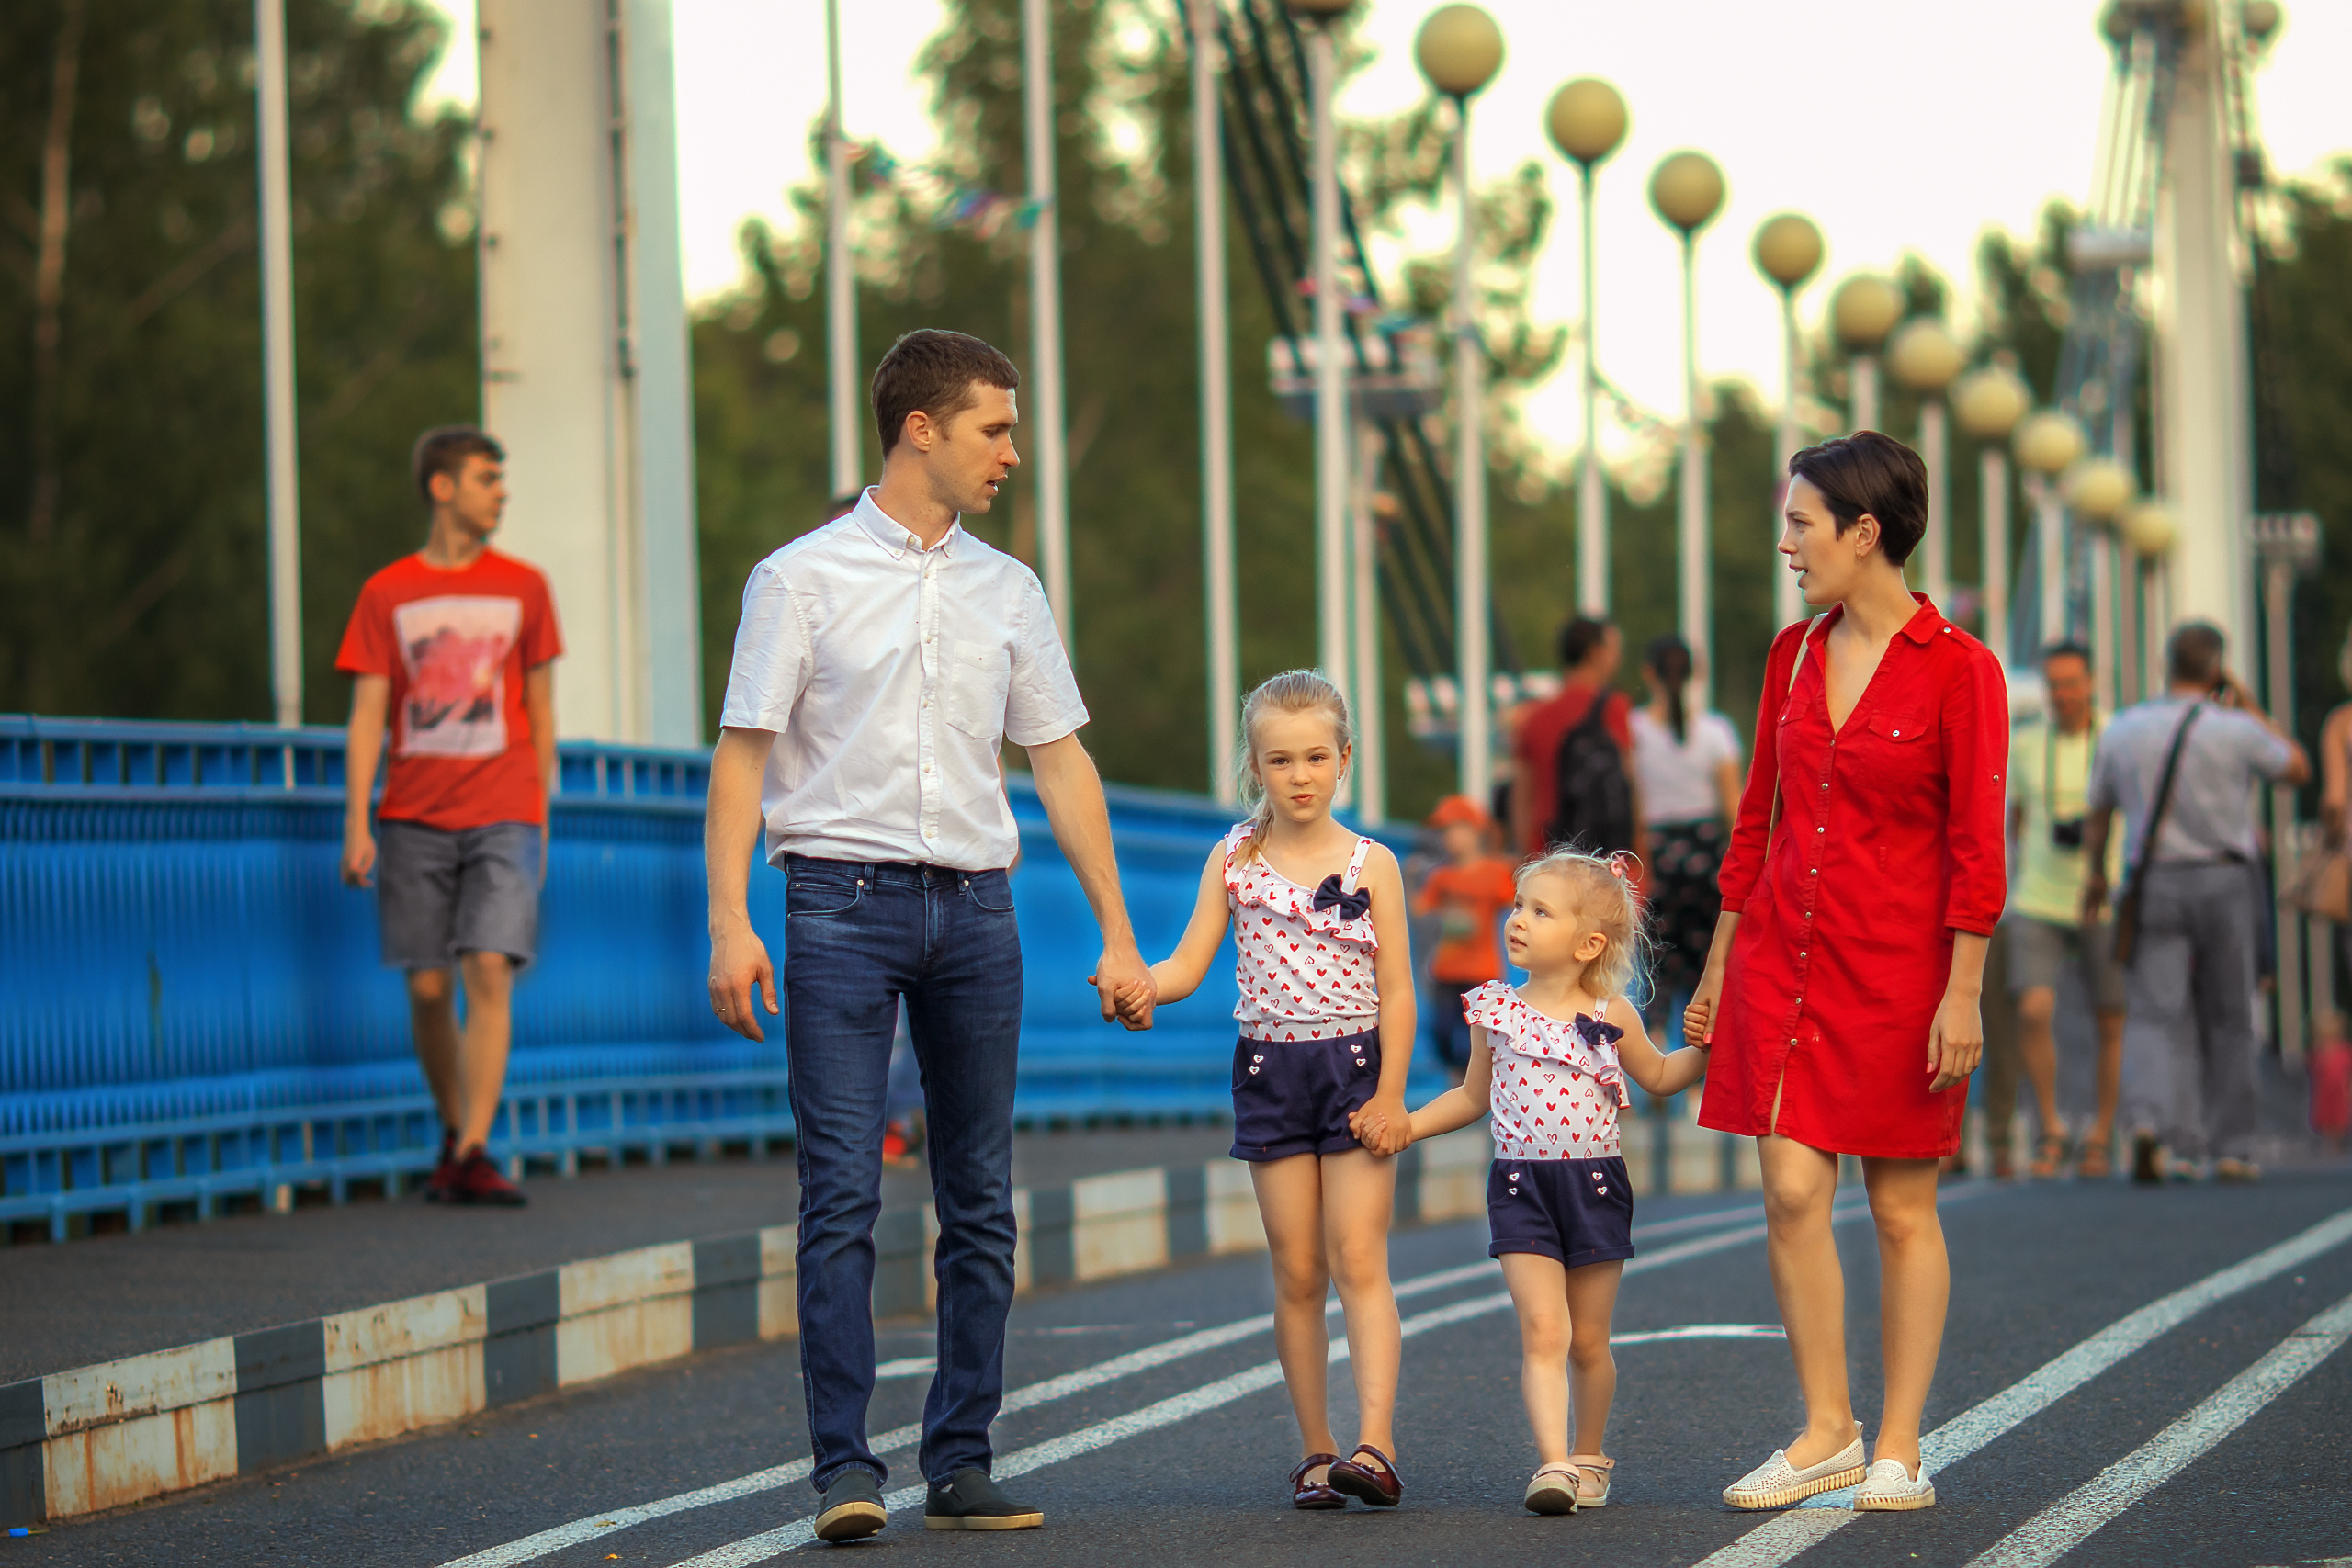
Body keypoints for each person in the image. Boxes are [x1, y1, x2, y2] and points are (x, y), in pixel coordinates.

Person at [703, 329, 1156, 1541]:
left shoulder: (1009, 588)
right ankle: (845, 1470)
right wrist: (729, 917)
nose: (1013, 451)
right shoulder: (796, 577)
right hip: (835, 904)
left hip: (976, 909)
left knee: (981, 1197)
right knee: (842, 1191)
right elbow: (743, 752)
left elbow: (1058, 759)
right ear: (922, 428)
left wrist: (1119, 929)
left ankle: (961, 1459)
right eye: (994, 428)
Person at [1686, 430, 2007, 1513]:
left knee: (1903, 1208)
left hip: (1901, 971)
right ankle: (1827, 1424)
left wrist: (1962, 988)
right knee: (1787, 1189)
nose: (1785, 543)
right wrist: (1719, 965)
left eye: (1799, 523)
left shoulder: (1961, 669)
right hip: (1782, 954)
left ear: (1864, 533)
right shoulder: (1792, 656)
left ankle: (1900, 1443)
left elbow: (1976, 845)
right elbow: (1753, 821)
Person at [1142, 671, 1415, 1511]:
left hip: (1355, 1069)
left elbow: (1399, 989)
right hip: (1269, 1071)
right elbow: (1189, 963)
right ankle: (1315, 1450)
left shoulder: (1376, 865)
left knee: (1358, 1257)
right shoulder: (1233, 857)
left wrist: (1394, 1094)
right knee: (1298, 1270)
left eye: (1316, 757)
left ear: (1345, 760)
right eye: (1280, 759)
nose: (1300, 775)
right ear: (1254, 765)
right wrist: (1140, 985)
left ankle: (1375, 1444)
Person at [1377, 849, 1709, 1515]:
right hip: (1520, 1186)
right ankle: (1552, 1462)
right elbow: (1472, 1098)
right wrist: (1408, 1124)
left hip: (1594, 1187)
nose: (1517, 920)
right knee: (1543, 1330)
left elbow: (1664, 1077)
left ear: (1588, 943)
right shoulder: (1493, 1010)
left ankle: (1589, 1452)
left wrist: (1710, 1046)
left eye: (1540, 910)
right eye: (1519, 906)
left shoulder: (1615, 1014)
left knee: (1588, 1339)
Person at [337, 426, 560, 1209]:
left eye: (501, 479)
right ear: (441, 487)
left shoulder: (526, 587)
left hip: (502, 808)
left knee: (488, 966)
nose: (500, 491)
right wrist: (356, 822)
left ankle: (473, 1147)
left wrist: (539, 814)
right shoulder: (386, 592)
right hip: (411, 814)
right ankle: (454, 1131)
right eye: (484, 479)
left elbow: (540, 706)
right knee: (429, 989)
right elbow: (369, 714)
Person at [2081, 622, 2309, 1185]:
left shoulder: (2125, 729)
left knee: (2157, 1014)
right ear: (2215, 668)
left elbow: (2098, 811)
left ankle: (2155, 1129)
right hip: (2225, 880)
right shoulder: (2234, 729)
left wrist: (2093, 876)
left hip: (2152, 880)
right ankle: (2231, 1147)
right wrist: (2250, 705)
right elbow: (2297, 768)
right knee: (2229, 1014)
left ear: (2167, 664)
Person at [1998, 642, 2126, 1180]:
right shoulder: (2026, 744)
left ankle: (2101, 1131)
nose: (2063, 695)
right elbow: (2016, 820)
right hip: (2039, 896)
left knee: (2111, 1017)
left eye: (2072, 683)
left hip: (2105, 893)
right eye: (2054, 685)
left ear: (2091, 683)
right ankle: (2050, 1126)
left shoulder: (2115, 738)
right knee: (2031, 1008)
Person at [1629, 632, 1742, 1034]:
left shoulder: (1634, 731)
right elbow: (1734, 809)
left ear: (1648, 674)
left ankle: (1655, 1040)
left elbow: (1635, 805)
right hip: (1706, 853)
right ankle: (1698, 1069)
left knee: (1657, 956)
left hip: (1657, 851)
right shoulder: (1716, 732)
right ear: (1695, 675)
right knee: (1705, 959)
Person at [1512, 617, 1641, 862]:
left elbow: (1521, 800)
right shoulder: (1613, 708)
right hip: (1602, 853)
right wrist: (1639, 851)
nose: (1619, 659)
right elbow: (1628, 784)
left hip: (1547, 850)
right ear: (1595, 653)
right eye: (1614, 651)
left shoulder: (1533, 717)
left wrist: (1525, 857)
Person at [1413, 795, 1517, 1077]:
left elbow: (1515, 904)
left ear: (1475, 831)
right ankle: (1459, 1077)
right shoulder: (1441, 876)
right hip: (1446, 967)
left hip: (1482, 968)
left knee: (1485, 1031)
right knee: (1442, 1029)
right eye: (1444, 832)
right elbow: (1421, 908)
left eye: (1456, 829)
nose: (1449, 838)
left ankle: (1485, 1081)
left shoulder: (1495, 872)